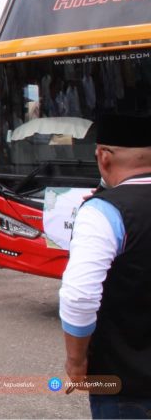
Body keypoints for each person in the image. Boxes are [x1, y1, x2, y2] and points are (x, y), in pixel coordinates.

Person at [59, 113, 151, 417]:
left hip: (126, 385)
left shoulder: (104, 211)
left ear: (104, 157)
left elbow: (80, 296)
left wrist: (76, 361)